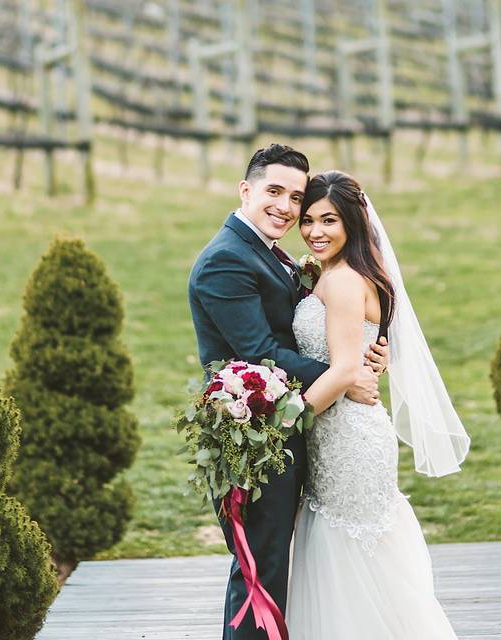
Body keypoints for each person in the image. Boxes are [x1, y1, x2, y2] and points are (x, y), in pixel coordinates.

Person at [187, 145, 389, 640]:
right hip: (256, 437)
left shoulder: (269, 251)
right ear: (246, 189)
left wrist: (364, 356)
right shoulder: (225, 261)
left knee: (275, 565)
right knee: (261, 572)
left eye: (295, 196)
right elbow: (260, 352)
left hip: (293, 430)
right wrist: (344, 373)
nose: (285, 206)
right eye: (274, 191)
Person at [286, 170, 471, 639]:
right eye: (307, 220)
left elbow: (347, 369)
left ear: (351, 222)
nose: (315, 232)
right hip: (342, 430)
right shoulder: (335, 273)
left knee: (353, 560)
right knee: (346, 557)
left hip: (348, 437)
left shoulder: (345, 281)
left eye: (329, 220)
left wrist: (285, 421)